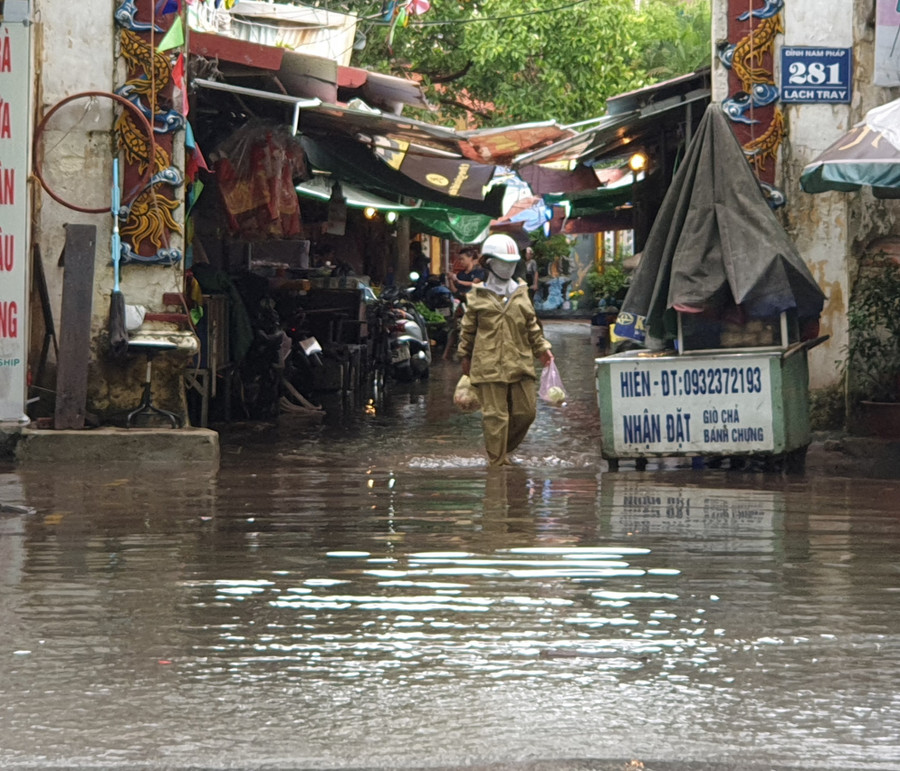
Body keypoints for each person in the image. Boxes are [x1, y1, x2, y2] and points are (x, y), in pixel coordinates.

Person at [458, 233, 554, 467]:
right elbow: (467, 331)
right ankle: (497, 465)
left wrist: (543, 350)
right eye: (503, 262)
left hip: (520, 363)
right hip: (487, 365)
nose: (509, 267)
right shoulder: (477, 296)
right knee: (495, 417)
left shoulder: (521, 292)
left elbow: (532, 326)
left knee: (526, 413)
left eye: (512, 263)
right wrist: (465, 359)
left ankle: (502, 448)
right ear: (489, 262)